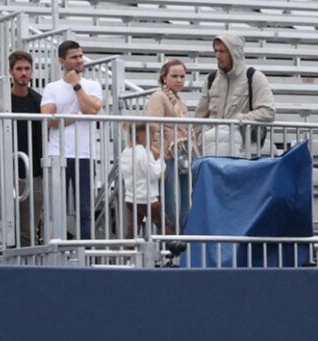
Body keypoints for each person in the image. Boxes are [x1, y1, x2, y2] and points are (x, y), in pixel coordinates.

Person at [40, 40, 102, 239]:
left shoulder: (92, 85)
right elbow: (48, 119)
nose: (79, 60)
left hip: (85, 155)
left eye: (80, 56)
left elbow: (91, 109)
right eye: (74, 57)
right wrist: (76, 116)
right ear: (62, 61)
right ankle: (54, 246)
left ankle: (85, 249)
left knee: (85, 208)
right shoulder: (52, 87)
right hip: (58, 153)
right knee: (55, 206)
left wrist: (76, 85)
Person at [194, 33, 275, 158]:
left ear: (235, 52)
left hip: (241, 152)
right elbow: (199, 116)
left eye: (222, 51)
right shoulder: (211, 79)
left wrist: (239, 120)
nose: (217, 56)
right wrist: (199, 143)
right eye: (216, 51)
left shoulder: (254, 77)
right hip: (210, 150)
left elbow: (268, 112)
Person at [143, 58, 191, 233]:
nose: (179, 80)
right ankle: (170, 242)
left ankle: (181, 238)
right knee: (170, 202)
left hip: (181, 155)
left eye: (182, 76)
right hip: (166, 155)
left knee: (185, 200)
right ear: (164, 77)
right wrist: (157, 155)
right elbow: (152, 127)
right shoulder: (159, 97)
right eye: (174, 76)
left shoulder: (178, 101)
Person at [6, 51, 47, 247]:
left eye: (27, 69)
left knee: (28, 231)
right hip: (6, 174)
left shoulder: (39, 102)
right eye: (19, 69)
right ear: (10, 72)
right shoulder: (1, 101)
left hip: (34, 175)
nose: (23, 73)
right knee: (4, 226)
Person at [118, 122, 162, 238]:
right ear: (143, 135)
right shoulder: (142, 152)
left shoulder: (126, 151)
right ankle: (173, 250)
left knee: (132, 230)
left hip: (131, 198)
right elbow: (152, 173)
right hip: (147, 198)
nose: (153, 138)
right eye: (151, 135)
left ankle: (128, 253)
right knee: (163, 225)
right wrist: (161, 163)